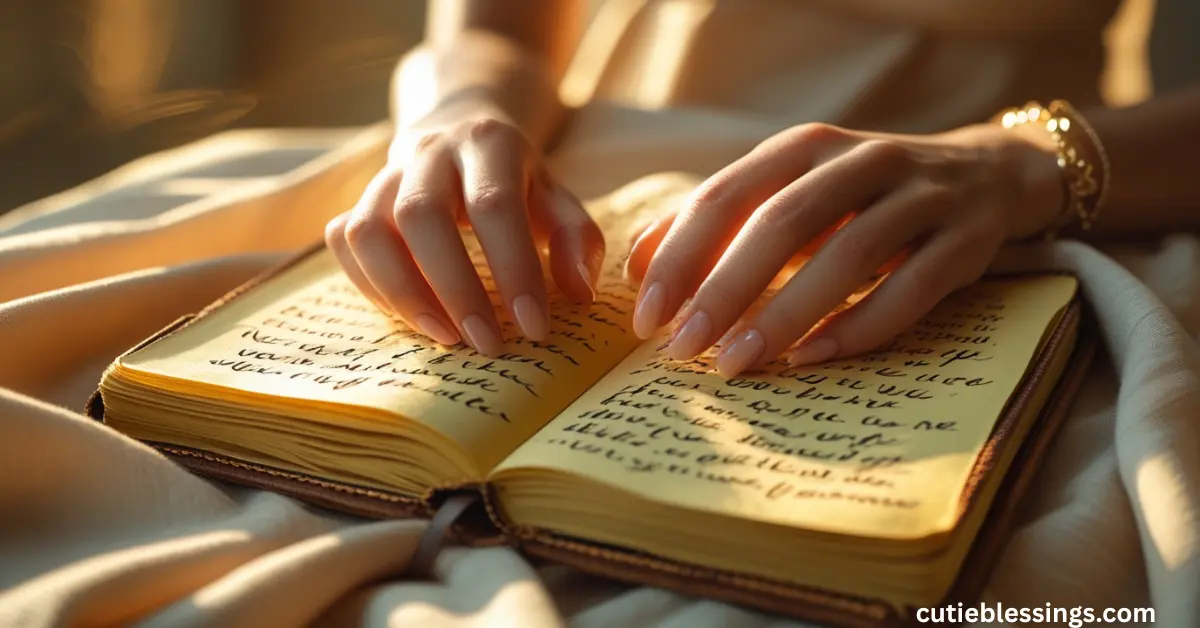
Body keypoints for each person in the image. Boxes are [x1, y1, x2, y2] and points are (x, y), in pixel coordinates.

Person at [324, 0, 1200, 376]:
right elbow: (496, 25)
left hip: (964, 219)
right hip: (586, 179)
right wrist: (457, 111)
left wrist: (1014, 167)